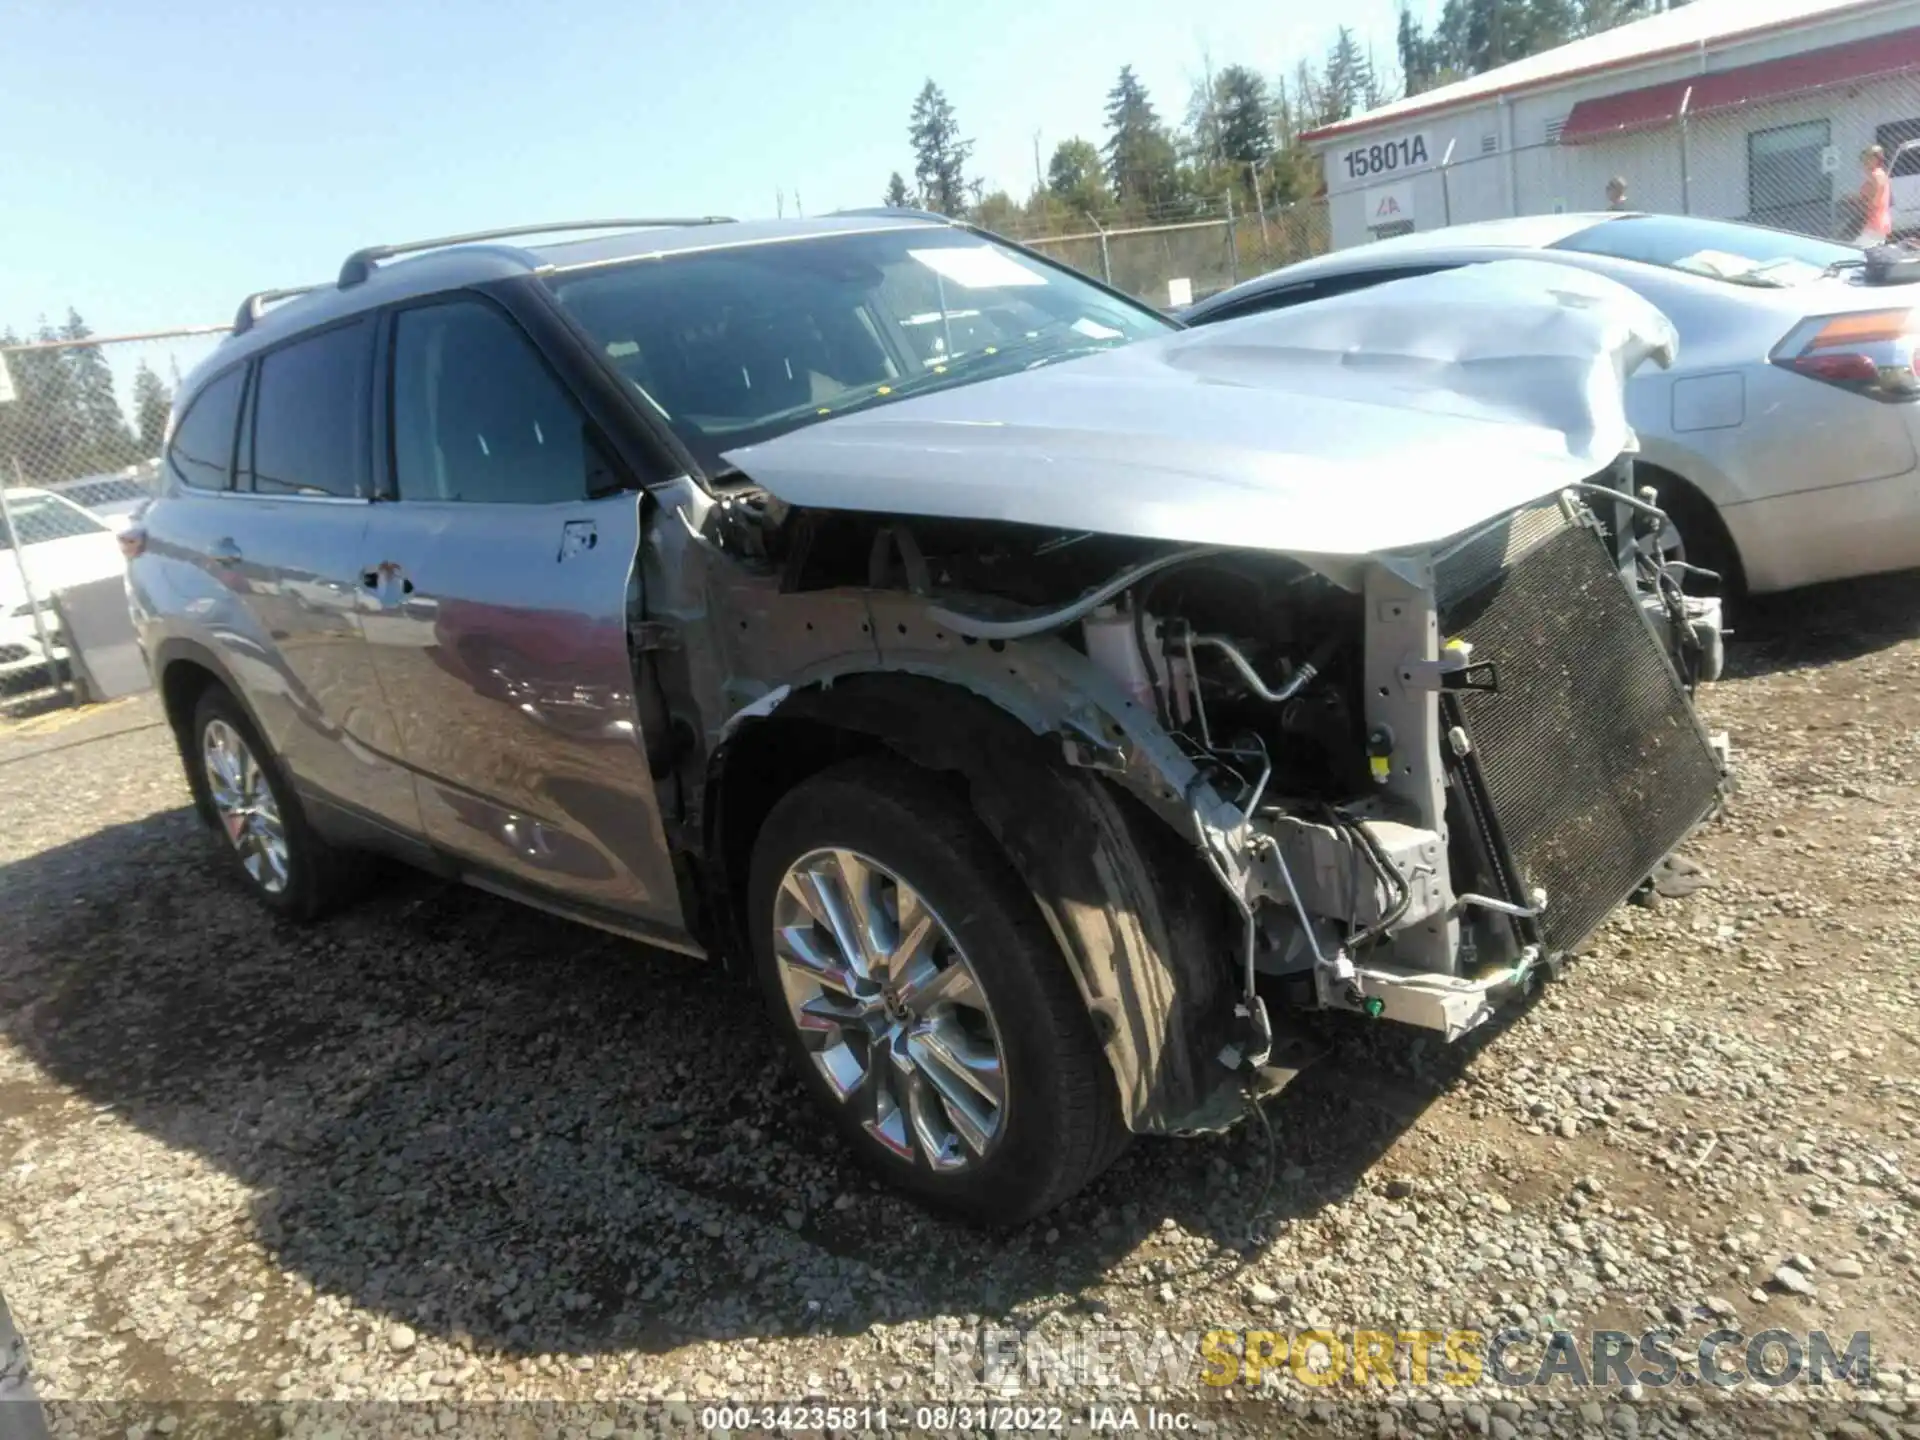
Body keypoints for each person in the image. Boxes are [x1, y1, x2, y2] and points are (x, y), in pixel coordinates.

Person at [1858, 146, 1893, 247]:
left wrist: (1864, 201)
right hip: (1877, 222)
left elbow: (1876, 200)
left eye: (1867, 159)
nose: (1864, 163)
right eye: (1863, 159)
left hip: (1876, 223)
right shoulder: (1879, 174)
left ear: (1875, 159)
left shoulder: (1876, 175)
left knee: (1859, 250)